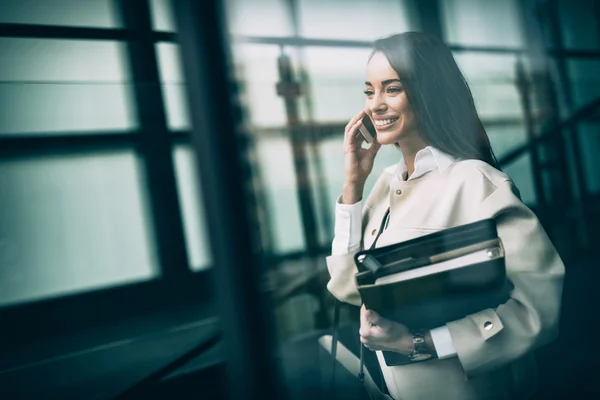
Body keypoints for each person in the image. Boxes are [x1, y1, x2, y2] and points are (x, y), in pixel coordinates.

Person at [325, 32, 564, 400]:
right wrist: (353, 184)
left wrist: (418, 343)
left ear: (427, 92)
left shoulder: (476, 181)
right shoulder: (385, 185)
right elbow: (345, 286)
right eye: (369, 91)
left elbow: (537, 310)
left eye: (392, 89)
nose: (376, 105)